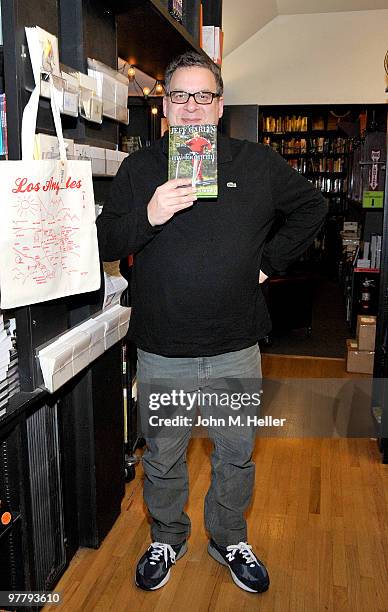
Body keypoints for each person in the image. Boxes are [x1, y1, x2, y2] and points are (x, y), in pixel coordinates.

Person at [96, 51, 327, 594]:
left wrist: (270, 263)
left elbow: (313, 208)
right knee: (164, 454)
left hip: (235, 346)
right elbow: (105, 241)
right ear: (166, 106)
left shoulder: (258, 163)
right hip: (162, 347)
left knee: (234, 455)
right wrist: (150, 214)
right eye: (180, 96)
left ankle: (228, 538)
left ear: (219, 106)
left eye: (204, 96)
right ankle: (168, 536)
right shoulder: (141, 168)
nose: (192, 106)